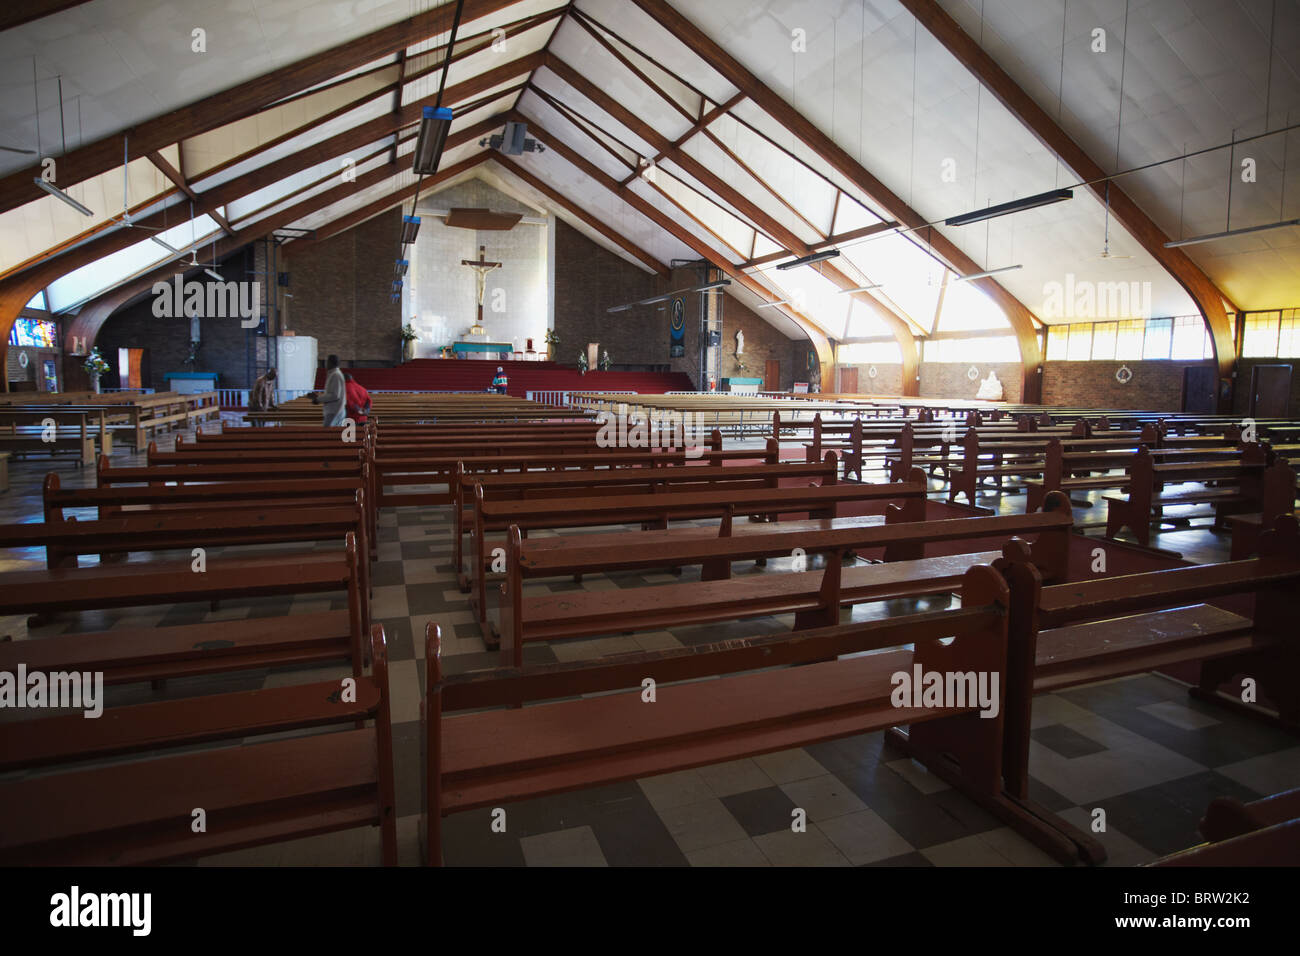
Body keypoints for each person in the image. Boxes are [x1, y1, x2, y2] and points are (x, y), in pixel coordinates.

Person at [309, 354, 346, 426]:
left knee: (328, 433)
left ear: (330, 363)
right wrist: (318, 397)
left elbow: (335, 395)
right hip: (333, 409)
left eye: (327, 361)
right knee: (331, 434)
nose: (325, 364)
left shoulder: (336, 375)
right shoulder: (333, 374)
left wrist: (318, 399)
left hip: (334, 410)